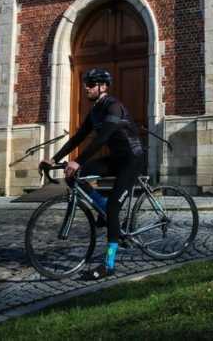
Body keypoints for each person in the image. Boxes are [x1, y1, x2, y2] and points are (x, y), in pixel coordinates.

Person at [43, 68, 143, 279]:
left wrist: (78, 161)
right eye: (86, 84)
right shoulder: (96, 111)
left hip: (131, 160)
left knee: (114, 207)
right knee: (72, 178)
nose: (86, 88)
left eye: (91, 84)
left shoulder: (113, 107)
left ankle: (109, 264)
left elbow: (101, 139)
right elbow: (77, 138)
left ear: (103, 86)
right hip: (115, 159)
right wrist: (53, 160)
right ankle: (105, 210)